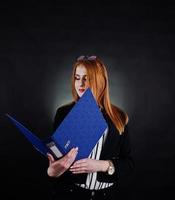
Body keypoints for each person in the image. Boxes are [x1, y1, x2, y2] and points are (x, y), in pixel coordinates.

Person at [46, 55, 134, 200]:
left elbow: (129, 163)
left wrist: (103, 165)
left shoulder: (119, 117)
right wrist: (53, 170)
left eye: (87, 78)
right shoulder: (63, 113)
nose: (80, 83)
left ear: (101, 82)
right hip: (70, 193)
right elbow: (55, 158)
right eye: (77, 77)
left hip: (107, 195)